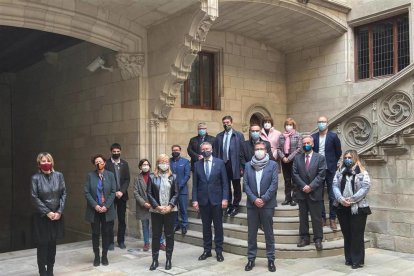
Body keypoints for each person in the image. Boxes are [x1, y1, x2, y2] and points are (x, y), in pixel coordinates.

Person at [333, 150, 371, 269]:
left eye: (349, 157)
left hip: (358, 207)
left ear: (354, 158)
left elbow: (365, 187)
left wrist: (351, 199)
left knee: (357, 234)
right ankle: (349, 258)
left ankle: (357, 260)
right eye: (345, 157)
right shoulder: (339, 172)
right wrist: (340, 198)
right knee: (347, 234)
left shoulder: (362, 173)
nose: (347, 159)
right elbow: (334, 185)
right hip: (342, 206)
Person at [243, 141, 278, 272]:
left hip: (267, 204)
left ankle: (271, 259)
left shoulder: (273, 165)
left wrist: (263, 199)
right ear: (254, 151)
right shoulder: (248, 166)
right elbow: (245, 184)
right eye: (257, 149)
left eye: (261, 148)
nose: (259, 150)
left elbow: (274, 184)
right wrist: (254, 199)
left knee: (268, 233)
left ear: (266, 150)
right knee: (251, 233)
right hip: (252, 205)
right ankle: (251, 259)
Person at [31, 152, 66, 276]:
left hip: (56, 216)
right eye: (43, 161)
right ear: (39, 164)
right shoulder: (35, 178)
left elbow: (63, 194)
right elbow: (34, 197)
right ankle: (42, 271)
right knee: (42, 245)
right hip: (42, 217)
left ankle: (50, 270)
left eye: (48, 161)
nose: (46, 163)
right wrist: (47, 212)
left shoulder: (59, 176)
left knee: (52, 245)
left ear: (52, 162)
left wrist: (59, 211)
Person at [193, 142, 228, 262]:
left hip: (217, 201)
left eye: (207, 148)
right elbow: (195, 185)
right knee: (206, 227)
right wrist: (195, 200)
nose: (205, 150)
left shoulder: (219, 163)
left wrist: (225, 198)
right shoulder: (197, 164)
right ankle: (207, 250)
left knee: (218, 227)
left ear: (212, 150)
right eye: (203, 149)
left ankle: (219, 251)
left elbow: (225, 183)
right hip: (203, 201)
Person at [292, 135, 326, 251]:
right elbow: (295, 174)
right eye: (304, 143)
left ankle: (318, 239)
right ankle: (304, 237)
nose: (306, 145)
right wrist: (303, 186)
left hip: (315, 192)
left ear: (312, 144)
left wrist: (311, 187)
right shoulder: (297, 158)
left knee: (316, 217)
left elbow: (321, 175)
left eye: (308, 143)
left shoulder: (320, 158)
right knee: (303, 217)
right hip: (301, 193)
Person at [147, 154, 179, 271]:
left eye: (166, 161)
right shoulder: (152, 177)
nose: (164, 163)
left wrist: (170, 206)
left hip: (170, 210)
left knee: (169, 235)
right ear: (158, 163)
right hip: (156, 211)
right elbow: (149, 193)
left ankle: (168, 259)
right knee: (156, 235)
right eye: (162, 161)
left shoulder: (173, 176)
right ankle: (155, 260)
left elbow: (176, 193)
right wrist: (157, 206)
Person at [84, 154, 116, 267]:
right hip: (94, 210)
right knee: (95, 233)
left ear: (104, 163)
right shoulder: (90, 175)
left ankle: (104, 256)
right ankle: (97, 256)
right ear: (94, 164)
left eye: (101, 161)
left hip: (107, 209)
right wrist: (95, 206)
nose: (99, 163)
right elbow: (87, 192)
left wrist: (106, 206)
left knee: (106, 233)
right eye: (96, 162)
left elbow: (113, 191)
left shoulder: (110, 175)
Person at [311, 116, 342, 230]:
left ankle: (332, 219)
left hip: (330, 169)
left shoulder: (333, 136)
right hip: (318, 169)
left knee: (332, 195)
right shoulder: (313, 137)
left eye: (323, 122)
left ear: (327, 123)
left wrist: (333, 162)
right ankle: (322, 218)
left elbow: (338, 152)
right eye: (319, 122)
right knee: (318, 195)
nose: (321, 123)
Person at [213, 115, 244, 216]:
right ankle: (229, 205)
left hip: (234, 163)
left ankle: (236, 205)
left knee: (236, 185)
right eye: (224, 123)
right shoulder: (219, 136)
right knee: (225, 185)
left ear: (232, 123)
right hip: (223, 164)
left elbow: (241, 152)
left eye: (228, 122)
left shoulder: (238, 135)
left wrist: (241, 167)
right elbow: (216, 151)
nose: (226, 124)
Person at [105, 143, 130, 250]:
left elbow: (127, 179)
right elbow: (105, 180)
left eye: (117, 151)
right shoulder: (106, 164)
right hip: (111, 196)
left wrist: (122, 192)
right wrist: (114, 192)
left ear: (120, 151)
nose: (116, 153)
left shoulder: (125, 163)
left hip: (122, 196)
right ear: (111, 152)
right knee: (110, 220)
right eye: (114, 152)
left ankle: (121, 241)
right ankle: (110, 242)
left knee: (122, 219)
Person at [277, 118, 302, 206]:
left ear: (293, 126)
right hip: (284, 160)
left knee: (294, 180)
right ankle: (287, 198)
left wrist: (289, 158)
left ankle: (294, 199)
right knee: (287, 180)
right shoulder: (281, 136)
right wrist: (283, 157)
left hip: (294, 159)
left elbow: (299, 149)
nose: (288, 126)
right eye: (287, 125)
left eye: (290, 125)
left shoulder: (298, 135)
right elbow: (278, 148)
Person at [170, 145, 191, 234]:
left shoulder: (185, 162)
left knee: (183, 209)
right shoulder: (168, 161)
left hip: (182, 190)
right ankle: (176, 224)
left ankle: (184, 225)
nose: (175, 151)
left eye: (177, 150)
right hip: (171, 190)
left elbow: (187, 175)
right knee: (173, 209)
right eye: (173, 150)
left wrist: (180, 186)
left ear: (180, 151)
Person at [133, 159, 152, 251]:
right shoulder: (137, 178)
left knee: (157, 225)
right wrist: (144, 203)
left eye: (147, 164)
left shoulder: (154, 176)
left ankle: (160, 242)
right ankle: (146, 243)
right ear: (140, 167)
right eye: (143, 164)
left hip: (154, 205)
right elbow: (135, 192)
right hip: (143, 206)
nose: (145, 166)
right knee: (145, 225)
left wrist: (153, 203)